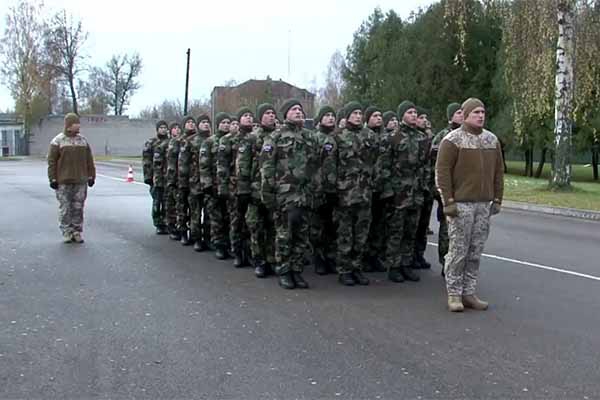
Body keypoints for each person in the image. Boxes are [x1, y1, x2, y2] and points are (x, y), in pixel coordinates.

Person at [436, 98, 504, 312]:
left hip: (483, 204)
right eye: (475, 112)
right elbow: (442, 173)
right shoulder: (452, 140)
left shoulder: (491, 140)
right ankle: (454, 294)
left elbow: (498, 172)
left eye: (483, 111)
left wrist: (498, 198)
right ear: (465, 115)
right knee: (458, 251)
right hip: (461, 204)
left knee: (475, 251)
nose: (480, 115)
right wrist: (448, 201)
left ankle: (469, 292)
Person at [261, 99, 318, 289]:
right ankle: (284, 271)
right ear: (285, 114)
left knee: (302, 236)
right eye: (294, 109)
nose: (298, 112)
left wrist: (315, 189)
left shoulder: (310, 137)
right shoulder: (275, 137)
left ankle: (297, 270)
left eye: (300, 109)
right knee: (285, 235)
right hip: (284, 195)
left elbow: (315, 165)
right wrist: (268, 194)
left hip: (304, 195)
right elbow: (267, 167)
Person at [379, 101, 428, 283]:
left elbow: (425, 166)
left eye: (415, 112)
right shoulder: (392, 138)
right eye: (410, 112)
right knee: (395, 231)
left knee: (411, 231)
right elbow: (383, 166)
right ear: (402, 116)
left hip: (415, 193)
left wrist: (423, 187)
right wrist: (389, 191)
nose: (414, 115)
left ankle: (406, 264)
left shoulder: (422, 138)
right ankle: (394, 265)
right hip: (398, 194)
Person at [328, 102, 377, 286]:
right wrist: (331, 190)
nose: (358, 116)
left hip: (364, 193)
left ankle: (357, 267)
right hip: (345, 194)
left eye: (360, 113)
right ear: (347, 116)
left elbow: (375, 163)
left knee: (362, 233)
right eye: (354, 113)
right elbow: (330, 166)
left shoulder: (369, 136)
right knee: (345, 233)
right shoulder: (337, 137)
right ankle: (344, 269)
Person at [47, 113, 96, 243]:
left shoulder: (83, 141)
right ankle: (67, 232)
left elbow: (89, 160)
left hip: (80, 180)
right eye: (76, 123)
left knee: (78, 207)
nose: (78, 125)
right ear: (69, 125)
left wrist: (91, 176)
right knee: (65, 207)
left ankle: (76, 231)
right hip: (63, 181)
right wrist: (52, 178)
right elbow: (52, 161)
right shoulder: (58, 141)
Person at [218, 107, 255, 267]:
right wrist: (223, 187)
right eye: (245, 116)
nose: (248, 118)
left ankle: (250, 252)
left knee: (252, 223)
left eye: (250, 116)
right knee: (236, 221)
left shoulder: (256, 139)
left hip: (252, 188)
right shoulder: (228, 140)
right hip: (235, 188)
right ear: (239, 120)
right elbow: (222, 165)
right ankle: (238, 252)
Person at [247, 103, 278, 277]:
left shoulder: (279, 136)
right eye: (267, 113)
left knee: (273, 226)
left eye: (273, 113)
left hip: (274, 190)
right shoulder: (252, 138)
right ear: (260, 117)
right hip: (255, 189)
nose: (271, 116)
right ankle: (259, 260)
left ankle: (272, 259)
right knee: (256, 226)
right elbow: (243, 165)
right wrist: (244, 190)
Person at [432, 103, 463, 272]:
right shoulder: (443, 137)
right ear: (451, 116)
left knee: (462, 232)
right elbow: (436, 166)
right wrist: (439, 191)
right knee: (447, 229)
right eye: (459, 113)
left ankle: (458, 263)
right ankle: (446, 262)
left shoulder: (469, 135)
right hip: (448, 191)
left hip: (464, 190)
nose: (462, 116)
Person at [310, 105, 338, 275]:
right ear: (320, 119)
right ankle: (319, 259)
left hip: (335, 189)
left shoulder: (337, 138)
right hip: (318, 189)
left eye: (332, 115)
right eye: (326, 115)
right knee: (317, 227)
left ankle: (330, 257)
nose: (330, 118)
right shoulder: (314, 138)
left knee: (332, 227)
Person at [200, 112, 231, 259]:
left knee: (228, 216)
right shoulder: (209, 142)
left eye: (228, 122)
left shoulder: (232, 140)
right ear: (218, 124)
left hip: (229, 185)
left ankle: (227, 242)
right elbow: (204, 165)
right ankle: (218, 243)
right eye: (223, 122)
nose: (226, 125)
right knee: (215, 216)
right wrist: (207, 184)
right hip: (214, 185)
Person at [179, 114, 211, 251]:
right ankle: (196, 238)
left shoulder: (213, 140)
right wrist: (183, 183)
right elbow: (183, 163)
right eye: (203, 122)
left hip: (210, 183)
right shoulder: (191, 141)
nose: (206, 124)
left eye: (207, 122)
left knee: (210, 213)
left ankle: (208, 238)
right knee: (195, 213)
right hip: (194, 182)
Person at [363, 105, 387, 273]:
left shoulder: (386, 137)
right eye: (374, 115)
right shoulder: (366, 137)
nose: (379, 118)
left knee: (379, 225)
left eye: (380, 115)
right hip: (365, 189)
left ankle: (374, 256)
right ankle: (364, 259)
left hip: (382, 188)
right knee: (366, 226)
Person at [414, 107, 434, 269]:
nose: (423, 120)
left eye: (423, 117)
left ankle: (417, 255)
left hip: (425, 188)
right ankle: (401, 262)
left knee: (422, 225)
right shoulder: (401, 138)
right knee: (405, 228)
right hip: (407, 190)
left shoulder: (428, 138)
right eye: (420, 117)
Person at [143, 120, 169, 234]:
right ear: (157, 129)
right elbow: (146, 161)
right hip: (156, 178)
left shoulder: (170, 142)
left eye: (165, 127)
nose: (163, 129)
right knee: (157, 201)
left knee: (168, 202)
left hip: (168, 177)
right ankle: (158, 223)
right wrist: (148, 177)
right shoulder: (151, 143)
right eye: (161, 127)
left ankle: (167, 222)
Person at [176, 116, 197, 245]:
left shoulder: (198, 140)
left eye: (193, 122)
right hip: (182, 179)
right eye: (188, 122)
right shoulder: (178, 141)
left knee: (194, 209)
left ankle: (195, 236)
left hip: (195, 180)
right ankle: (183, 231)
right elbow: (174, 163)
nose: (191, 124)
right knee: (182, 207)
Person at [164, 122, 181, 238]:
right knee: (170, 203)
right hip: (169, 177)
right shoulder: (168, 143)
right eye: (174, 128)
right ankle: (171, 226)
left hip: (180, 178)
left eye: (178, 128)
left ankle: (178, 226)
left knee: (179, 204)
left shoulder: (182, 142)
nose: (177, 130)